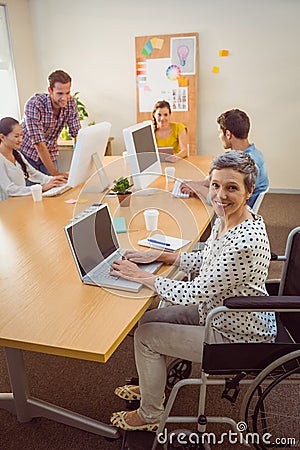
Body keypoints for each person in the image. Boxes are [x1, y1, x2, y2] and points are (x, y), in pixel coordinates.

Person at [110, 151, 276, 431]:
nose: (220, 195)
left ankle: (150, 415)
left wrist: (140, 276)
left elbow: (194, 292)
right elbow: (207, 259)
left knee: (146, 337)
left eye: (231, 187)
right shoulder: (229, 218)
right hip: (218, 310)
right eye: (215, 185)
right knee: (148, 320)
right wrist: (162, 257)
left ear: (249, 191)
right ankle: (154, 387)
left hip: (236, 334)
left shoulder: (244, 241)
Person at [181, 109, 269, 208]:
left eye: (219, 133)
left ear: (228, 134)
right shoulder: (248, 153)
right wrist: (194, 184)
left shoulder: (249, 164)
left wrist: (197, 188)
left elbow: (223, 199)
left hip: (237, 211)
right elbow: (219, 180)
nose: (219, 137)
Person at [20, 69, 81, 176]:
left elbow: (77, 134)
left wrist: (79, 165)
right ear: (50, 90)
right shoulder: (35, 105)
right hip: (27, 155)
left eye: (67, 93)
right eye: (60, 93)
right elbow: (39, 144)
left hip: (49, 152)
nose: (64, 98)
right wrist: (55, 175)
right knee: (34, 190)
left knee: (57, 190)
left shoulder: (70, 103)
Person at [0, 117, 67, 200]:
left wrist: (54, 180)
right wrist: (41, 188)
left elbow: (33, 174)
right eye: (16, 136)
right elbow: (9, 189)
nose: (20, 140)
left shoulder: (17, 155)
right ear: (2, 137)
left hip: (19, 201)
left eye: (21, 135)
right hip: (6, 207)